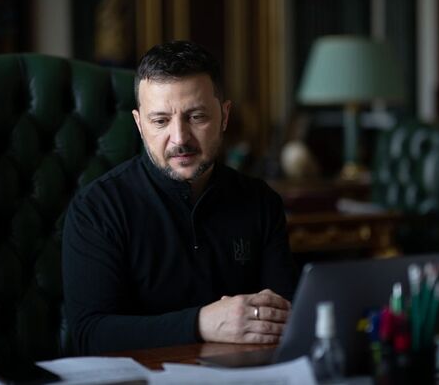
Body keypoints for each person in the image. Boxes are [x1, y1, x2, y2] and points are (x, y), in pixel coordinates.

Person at [63, 40, 297, 355]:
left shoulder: (262, 202)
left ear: (224, 115)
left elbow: (283, 316)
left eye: (196, 117)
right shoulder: (97, 209)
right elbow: (90, 334)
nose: (180, 138)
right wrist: (199, 323)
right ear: (139, 124)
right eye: (160, 121)